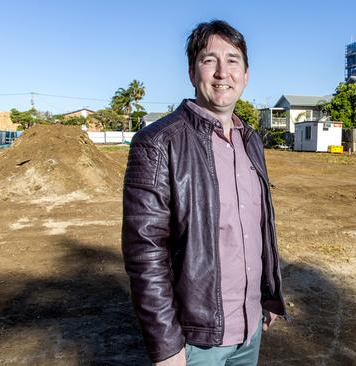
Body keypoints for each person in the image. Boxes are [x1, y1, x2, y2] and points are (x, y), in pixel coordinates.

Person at [121, 20, 286, 366]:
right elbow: (144, 252)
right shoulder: (157, 143)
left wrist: (268, 297)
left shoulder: (251, 141)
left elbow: (259, 229)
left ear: (246, 74)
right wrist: (166, 346)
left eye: (233, 60)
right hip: (196, 342)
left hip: (250, 331)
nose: (222, 72)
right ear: (191, 71)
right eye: (209, 60)